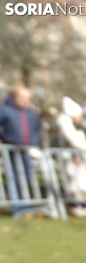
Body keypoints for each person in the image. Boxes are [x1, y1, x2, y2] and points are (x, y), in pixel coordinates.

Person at [0, 86, 42, 215]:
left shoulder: (31, 113)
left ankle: (24, 203)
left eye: (27, 98)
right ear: (15, 97)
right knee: (14, 177)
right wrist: (6, 138)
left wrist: (34, 142)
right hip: (11, 150)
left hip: (27, 151)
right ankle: (17, 206)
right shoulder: (5, 110)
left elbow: (37, 129)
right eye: (22, 97)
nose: (25, 100)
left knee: (26, 176)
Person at [65, 152, 86, 217]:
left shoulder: (84, 165)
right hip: (76, 185)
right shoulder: (70, 166)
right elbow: (72, 174)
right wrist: (77, 168)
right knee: (77, 197)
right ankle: (76, 208)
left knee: (84, 197)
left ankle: (83, 207)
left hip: (84, 185)